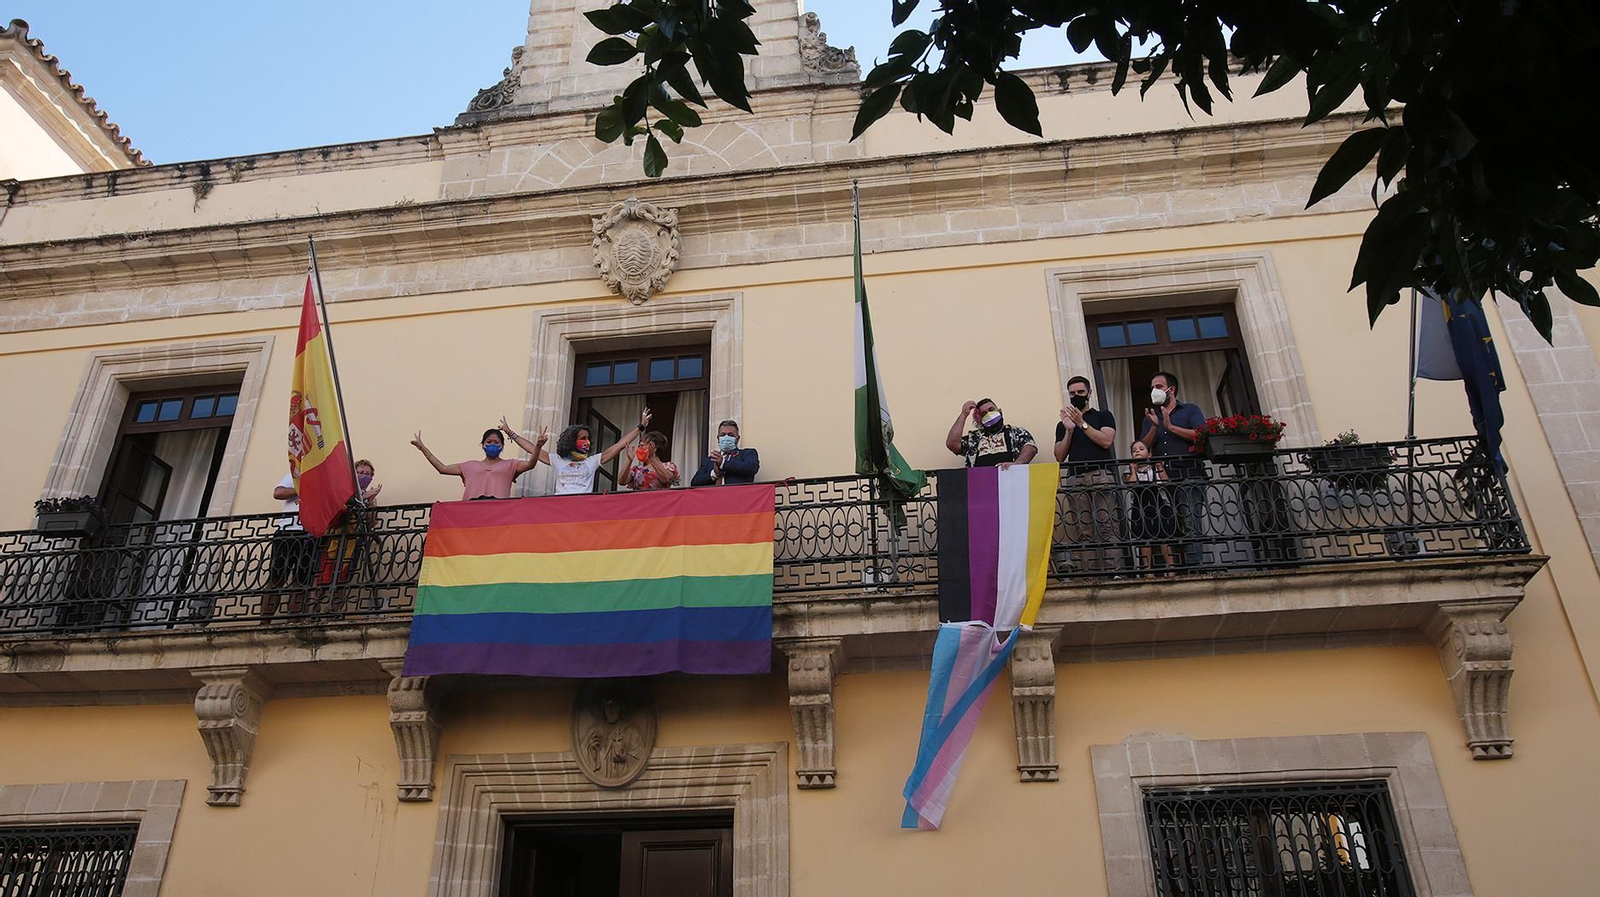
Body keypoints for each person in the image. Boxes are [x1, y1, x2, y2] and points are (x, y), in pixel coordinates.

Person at [1138, 371, 1208, 568]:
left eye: (1158, 387)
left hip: (1189, 474)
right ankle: (1176, 569)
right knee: (1170, 524)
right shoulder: (1152, 416)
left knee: (1190, 521)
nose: (1154, 391)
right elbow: (1143, 446)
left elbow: (1201, 435)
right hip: (1163, 479)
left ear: (1171, 390)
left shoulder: (1190, 410)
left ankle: (1194, 568)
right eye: (1152, 387)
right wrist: (1154, 427)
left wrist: (1171, 426)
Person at [1054, 376, 1119, 573]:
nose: (1076, 396)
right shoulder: (1062, 425)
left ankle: (1115, 573)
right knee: (1084, 531)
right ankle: (1092, 575)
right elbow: (1059, 455)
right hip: (1076, 479)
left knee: (1107, 526)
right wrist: (1069, 430)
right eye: (1072, 393)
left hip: (1100, 475)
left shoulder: (1103, 416)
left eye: (1080, 393)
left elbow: (1106, 441)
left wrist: (1082, 423)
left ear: (1089, 393)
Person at [410, 422, 546, 500]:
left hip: (499, 513)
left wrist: (538, 446)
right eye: (489, 442)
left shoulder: (510, 464)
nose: (492, 444)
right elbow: (442, 469)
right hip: (470, 513)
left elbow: (530, 464)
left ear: (502, 446)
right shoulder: (469, 466)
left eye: (496, 442)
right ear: (483, 445)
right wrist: (423, 449)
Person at [541, 409, 652, 494]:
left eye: (588, 438)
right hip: (560, 507)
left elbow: (620, 445)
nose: (587, 442)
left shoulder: (592, 461)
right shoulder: (558, 460)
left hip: (582, 507)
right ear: (572, 441)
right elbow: (531, 449)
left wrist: (640, 427)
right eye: (583, 438)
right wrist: (537, 444)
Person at [264, 473, 318, 618]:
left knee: (300, 582)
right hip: (287, 532)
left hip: (311, 535)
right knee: (277, 578)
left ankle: (293, 622)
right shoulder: (295, 476)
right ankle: (264, 622)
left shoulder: (325, 479)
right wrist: (303, 487)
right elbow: (278, 493)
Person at [1124, 441, 1178, 575]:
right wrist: (1134, 469)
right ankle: (1147, 570)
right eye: (1134, 450)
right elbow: (1130, 484)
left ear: (1149, 454)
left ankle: (1171, 568)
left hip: (1158, 506)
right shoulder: (1130, 469)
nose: (1137, 451)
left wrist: (1160, 467)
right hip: (1140, 507)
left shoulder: (1154, 468)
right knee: (1145, 539)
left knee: (1164, 537)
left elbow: (1165, 482)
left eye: (1141, 449)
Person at [947, 398, 1037, 469]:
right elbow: (952, 444)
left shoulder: (1016, 432)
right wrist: (964, 414)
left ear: (1000, 412)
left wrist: (1016, 464)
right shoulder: (973, 439)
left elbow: (1030, 448)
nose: (989, 414)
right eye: (984, 413)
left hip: (1010, 483)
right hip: (980, 485)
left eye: (991, 410)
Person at [691, 420, 761, 486]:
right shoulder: (709, 460)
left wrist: (723, 464)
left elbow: (752, 468)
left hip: (738, 497)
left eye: (730, 435)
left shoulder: (747, 454)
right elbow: (694, 483)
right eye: (723, 435)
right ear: (718, 438)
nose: (726, 437)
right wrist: (715, 474)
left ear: (737, 438)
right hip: (714, 497)